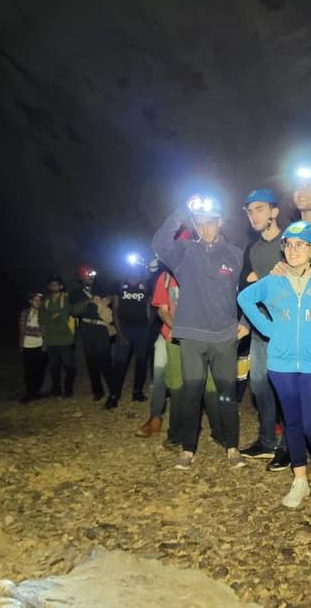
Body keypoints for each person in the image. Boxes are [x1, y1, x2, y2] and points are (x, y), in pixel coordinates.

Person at [238, 221, 311, 508]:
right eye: (289, 244)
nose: (294, 250)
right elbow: (244, 297)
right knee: (292, 423)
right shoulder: (273, 281)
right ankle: (299, 480)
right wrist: (267, 328)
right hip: (280, 365)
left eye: (301, 244)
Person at [151, 195, 249, 470]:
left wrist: (245, 322)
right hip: (192, 337)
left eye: (211, 223)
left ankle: (232, 446)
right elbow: (159, 244)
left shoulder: (234, 254)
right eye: (200, 223)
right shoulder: (184, 252)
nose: (206, 228)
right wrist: (183, 211)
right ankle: (187, 448)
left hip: (224, 337)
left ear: (220, 223)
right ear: (194, 225)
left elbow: (247, 292)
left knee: (227, 394)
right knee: (190, 393)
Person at [136, 263, 221, 443]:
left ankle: (216, 428)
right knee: (163, 380)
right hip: (170, 336)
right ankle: (156, 419)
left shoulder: (203, 272)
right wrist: (178, 329)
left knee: (206, 384)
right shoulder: (166, 278)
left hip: (199, 338)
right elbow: (162, 310)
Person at [238, 188, 283, 459]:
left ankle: (289, 446)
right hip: (259, 329)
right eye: (250, 211)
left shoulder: (290, 242)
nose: (253, 215)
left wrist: (263, 278)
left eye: (260, 209)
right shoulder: (253, 250)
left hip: (286, 329)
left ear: (274, 212)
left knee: (285, 387)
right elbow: (252, 294)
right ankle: (266, 441)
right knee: (258, 386)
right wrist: (245, 321)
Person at [68, 265, 119, 409]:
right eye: (88, 276)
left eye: (92, 276)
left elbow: (112, 297)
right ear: (81, 277)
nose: (91, 278)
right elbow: (72, 310)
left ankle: (114, 394)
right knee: (91, 361)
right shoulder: (76, 292)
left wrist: (105, 300)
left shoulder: (101, 287)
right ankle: (97, 391)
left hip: (101, 328)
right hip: (86, 328)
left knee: (105, 360)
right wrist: (88, 302)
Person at [111, 255, 152, 404]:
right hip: (125, 329)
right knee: (120, 363)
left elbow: (147, 305)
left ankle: (137, 392)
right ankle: (114, 395)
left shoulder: (145, 285)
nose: (134, 269)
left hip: (142, 329)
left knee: (141, 361)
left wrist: (148, 325)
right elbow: (115, 309)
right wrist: (119, 332)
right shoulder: (119, 284)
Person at [41, 274, 76, 398]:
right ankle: (56, 389)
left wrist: (53, 317)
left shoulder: (66, 298)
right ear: (49, 286)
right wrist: (54, 316)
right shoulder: (45, 300)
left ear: (61, 286)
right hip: (50, 339)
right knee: (54, 367)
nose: (54, 286)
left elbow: (64, 315)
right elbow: (42, 318)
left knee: (69, 365)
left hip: (65, 337)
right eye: (52, 284)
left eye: (56, 284)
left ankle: (68, 389)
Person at [18, 292, 46, 403]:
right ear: (30, 301)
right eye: (35, 300)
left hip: (40, 346)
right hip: (27, 345)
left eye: (39, 300)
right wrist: (37, 332)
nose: (38, 302)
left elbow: (44, 329)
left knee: (39, 370)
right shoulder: (25, 313)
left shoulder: (43, 313)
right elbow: (23, 328)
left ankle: (37, 392)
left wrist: (34, 331)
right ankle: (29, 392)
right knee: (28, 371)